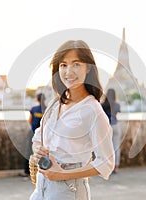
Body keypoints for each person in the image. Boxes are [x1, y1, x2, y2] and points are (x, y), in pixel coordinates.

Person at [30, 40, 115, 199]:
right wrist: (37, 151)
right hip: (41, 187)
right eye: (63, 65)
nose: (69, 71)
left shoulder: (93, 111)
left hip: (69, 190)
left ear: (88, 67)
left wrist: (62, 174)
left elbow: (106, 163)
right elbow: (37, 137)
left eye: (76, 64)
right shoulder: (55, 103)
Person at [21, 93, 46, 178]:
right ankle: (43, 172)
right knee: (44, 153)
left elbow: (30, 121)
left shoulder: (33, 109)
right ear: (44, 100)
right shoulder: (47, 109)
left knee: (29, 152)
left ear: (37, 100)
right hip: (44, 135)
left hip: (33, 133)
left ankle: (26, 172)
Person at [101, 88, 122, 174]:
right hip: (116, 126)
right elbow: (118, 112)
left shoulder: (102, 104)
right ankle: (116, 167)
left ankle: (106, 167)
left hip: (107, 127)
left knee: (106, 148)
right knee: (116, 147)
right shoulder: (117, 105)